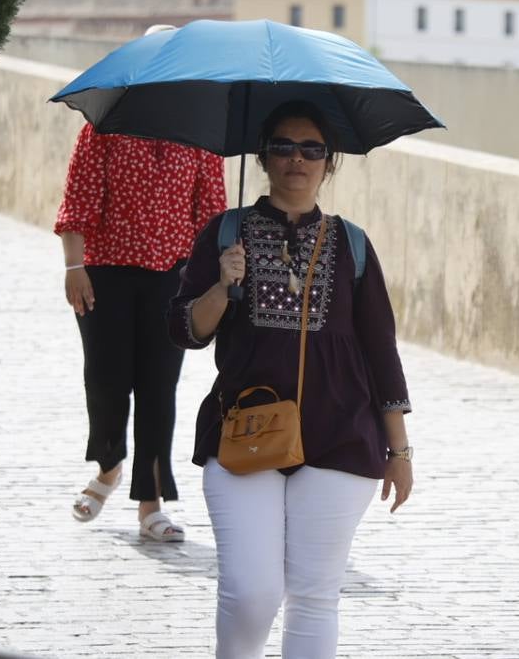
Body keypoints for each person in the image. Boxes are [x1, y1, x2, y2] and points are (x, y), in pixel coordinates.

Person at [167, 100, 413, 659]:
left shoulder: (351, 243)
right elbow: (186, 331)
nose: (296, 159)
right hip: (244, 432)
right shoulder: (227, 233)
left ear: (329, 162)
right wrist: (222, 285)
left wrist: (399, 450)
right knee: (252, 593)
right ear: (262, 156)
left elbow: (381, 350)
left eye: (311, 149)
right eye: (282, 146)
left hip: (342, 437)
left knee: (314, 596)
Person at [55, 25, 228, 541]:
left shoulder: (200, 137)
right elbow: (78, 199)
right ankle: (109, 466)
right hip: (105, 275)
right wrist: (73, 266)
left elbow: (210, 214)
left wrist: (209, 280)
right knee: (106, 381)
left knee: (159, 389)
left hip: (172, 282)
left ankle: (150, 504)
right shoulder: (104, 126)